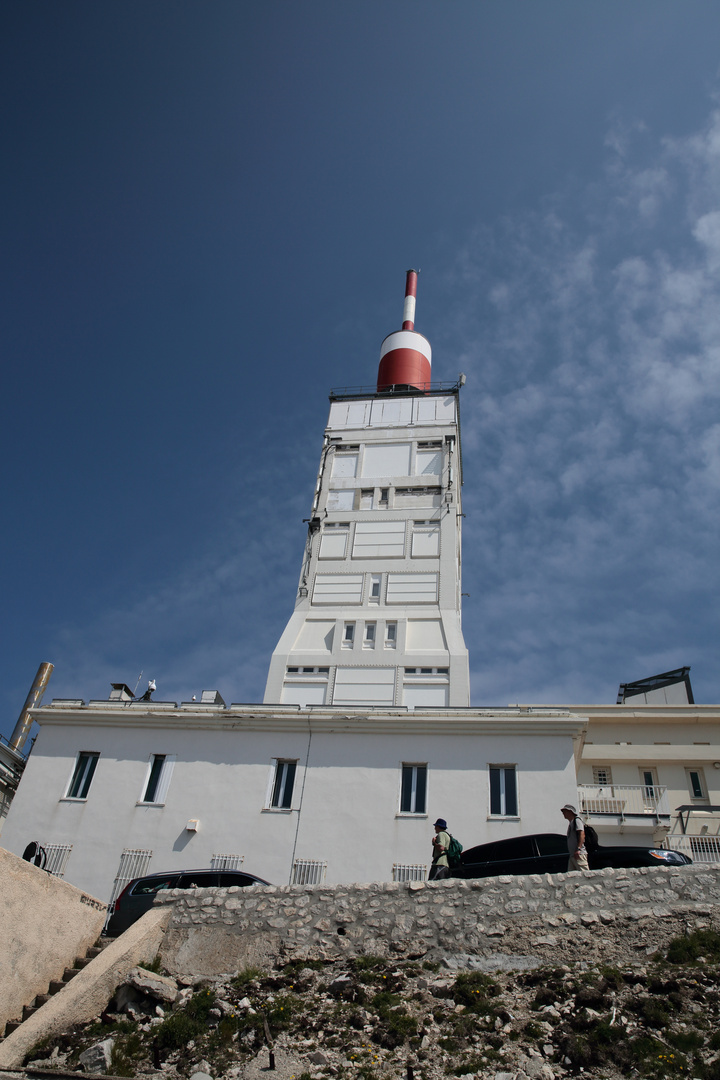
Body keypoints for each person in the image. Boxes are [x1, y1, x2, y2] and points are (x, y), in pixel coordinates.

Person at [561, 803, 589, 871]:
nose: (563, 813)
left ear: (570, 811)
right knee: (571, 876)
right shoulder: (571, 823)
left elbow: (582, 834)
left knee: (585, 873)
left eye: (565, 811)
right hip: (573, 855)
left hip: (579, 854)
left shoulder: (577, 820)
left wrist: (578, 849)